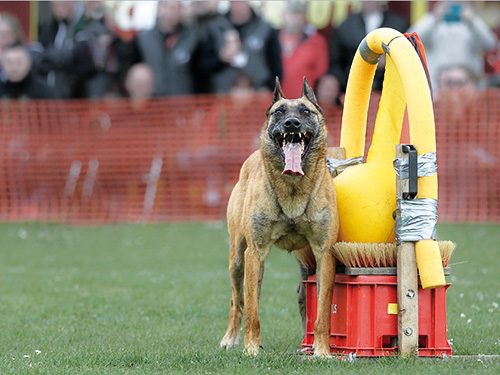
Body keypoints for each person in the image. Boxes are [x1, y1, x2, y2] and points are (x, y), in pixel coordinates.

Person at [317, 2, 409, 104]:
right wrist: (334, 80)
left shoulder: (399, 24)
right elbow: (336, 63)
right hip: (354, 89)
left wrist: (390, 60)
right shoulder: (345, 26)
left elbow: (409, 58)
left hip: (389, 90)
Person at [409, 1, 497, 89]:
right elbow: (410, 40)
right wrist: (433, 18)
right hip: (438, 86)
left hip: (468, 85)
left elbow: (490, 44)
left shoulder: (471, 23)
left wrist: (473, 20)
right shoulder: (433, 21)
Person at [199, 1, 282, 93]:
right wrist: (221, 58)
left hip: (258, 96)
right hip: (223, 96)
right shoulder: (214, 28)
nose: (239, 5)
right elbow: (203, 66)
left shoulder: (265, 28)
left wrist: (269, 87)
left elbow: (276, 64)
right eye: (235, 2)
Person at [135, 1, 201, 96]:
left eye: (178, 8)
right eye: (171, 8)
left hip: (183, 101)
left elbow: (200, 73)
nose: (175, 12)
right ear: (161, 8)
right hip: (153, 102)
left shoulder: (191, 38)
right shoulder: (144, 38)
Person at [35, 1, 94, 98]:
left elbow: (76, 57)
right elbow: (38, 57)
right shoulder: (49, 28)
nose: (57, 9)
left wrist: (51, 57)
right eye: (54, 6)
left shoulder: (83, 26)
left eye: (62, 5)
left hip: (75, 91)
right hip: (51, 89)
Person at [279, 2, 328, 98]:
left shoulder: (316, 42)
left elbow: (321, 73)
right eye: (292, 13)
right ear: (284, 15)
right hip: (273, 103)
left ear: (304, 17)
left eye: (299, 14)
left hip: (303, 102)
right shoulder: (272, 40)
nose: (295, 19)